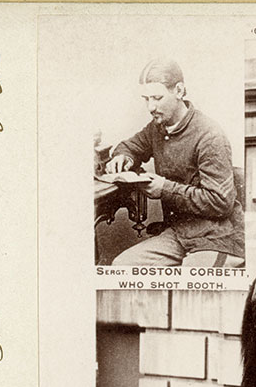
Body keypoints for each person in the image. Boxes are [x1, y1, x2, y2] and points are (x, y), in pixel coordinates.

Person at [105, 59, 244, 267]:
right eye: (146, 99)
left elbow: (220, 202)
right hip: (178, 233)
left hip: (216, 237)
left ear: (179, 91)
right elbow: (131, 146)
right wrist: (123, 157)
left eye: (157, 98)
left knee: (191, 285)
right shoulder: (158, 127)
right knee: (122, 266)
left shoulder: (210, 135)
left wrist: (165, 189)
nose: (151, 107)